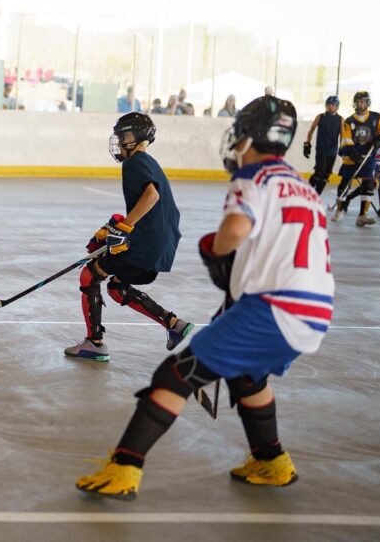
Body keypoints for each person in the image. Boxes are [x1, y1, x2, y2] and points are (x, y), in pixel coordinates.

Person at [76, 96, 332, 501]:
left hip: (271, 310)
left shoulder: (254, 179)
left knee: (174, 377)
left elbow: (231, 235)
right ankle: (272, 460)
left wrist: (214, 249)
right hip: (314, 311)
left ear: (251, 137)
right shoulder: (303, 188)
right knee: (248, 377)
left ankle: (125, 467)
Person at [64, 113, 193, 362]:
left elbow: (151, 196)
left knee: (89, 275)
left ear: (139, 138)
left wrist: (124, 229)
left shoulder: (134, 163)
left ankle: (94, 343)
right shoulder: (148, 162)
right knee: (117, 287)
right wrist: (118, 226)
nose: (121, 140)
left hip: (147, 244)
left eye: (126, 135)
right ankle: (174, 324)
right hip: (159, 245)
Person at [331, 91, 380, 225]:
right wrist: (355, 156)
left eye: (363, 101)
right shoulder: (349, 121)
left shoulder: (376, 117)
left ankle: (362, 216)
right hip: (351, 159)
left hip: (369, 158)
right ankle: (339, 211)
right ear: (355, 103)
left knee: (369, 184)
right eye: (359, 101)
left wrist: (379, 141)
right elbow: (346, 142)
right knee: (344, 185)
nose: (361, 104)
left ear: (368, 103)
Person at [303, 95, 341, 195]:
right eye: (329, 104)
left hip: (332, 151)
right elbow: (311, 131)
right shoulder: (320, 117)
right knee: (319, 173)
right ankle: (307, 192)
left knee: (326, 175)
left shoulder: (341, 120)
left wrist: (343, 148)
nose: (330, 107)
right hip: (321, 150)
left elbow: (342, 136)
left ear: (337, 106)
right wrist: (307, 144)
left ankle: (316, 196)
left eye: (333, 105)